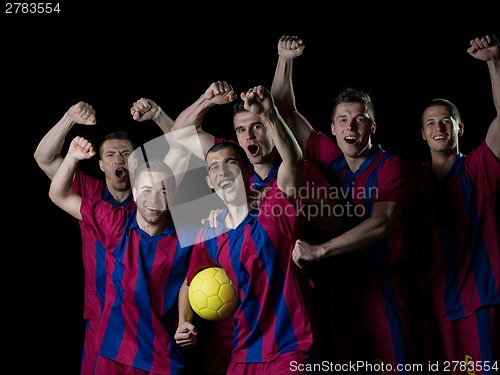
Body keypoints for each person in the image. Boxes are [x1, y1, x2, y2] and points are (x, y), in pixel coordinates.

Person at [170, 81, 340, 372]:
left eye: (231, 165)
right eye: (213, 168)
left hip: (291, 343)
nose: (223, 172)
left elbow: (294, 161)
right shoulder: (208, 229)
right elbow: (189, 282)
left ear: (247, 171)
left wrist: (271, 112)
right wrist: (183, 322)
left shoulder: (275, 204)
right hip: (245, 348)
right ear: (209, 182)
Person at [271, 35, 417, 371]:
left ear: (372, 126)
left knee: (392, 365)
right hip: (338, 286)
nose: (351, 125)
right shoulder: (329, 155)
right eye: (343, 119)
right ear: (333, 129)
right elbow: (285, 111)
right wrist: (284, 59)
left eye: (360, 118)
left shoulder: (392, 167)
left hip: (381, 284)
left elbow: (381, 224)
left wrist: (320, 250)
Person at [34, 99, 180, 374]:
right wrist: (69, 118)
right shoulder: (90, 193)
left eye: (125, 154)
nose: (119, 159)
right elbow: (43, 159)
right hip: (101, 317)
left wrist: (159, 115)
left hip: (149, 323)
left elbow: (190, 156)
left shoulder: (155, 202)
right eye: (111, 155)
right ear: (101, 165)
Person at [411, 34, 500, 374]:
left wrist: (494, 62)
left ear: (459, 128)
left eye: (446, 121)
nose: (438, 127)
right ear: (421, 133)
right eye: (431, 122)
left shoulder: (478, 167)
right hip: (430, 308)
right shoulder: (409, 179)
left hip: (479, 304)